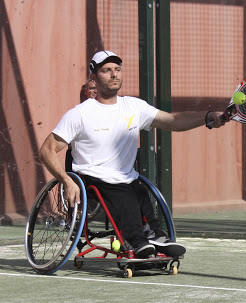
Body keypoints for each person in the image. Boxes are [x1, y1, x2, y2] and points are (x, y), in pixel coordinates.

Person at [39, 50, 226, 258]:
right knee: (125, 192)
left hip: (125, 178)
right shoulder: (79, 114)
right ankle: (135, 240)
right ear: (94, 76)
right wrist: (65, 180)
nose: (114, 75)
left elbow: (173, 121)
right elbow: (47, 150)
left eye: (117, 70)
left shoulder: (134, 107)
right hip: (91, 177)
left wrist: (207, 117)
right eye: (106, 70)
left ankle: (155, 236)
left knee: (138, 189)